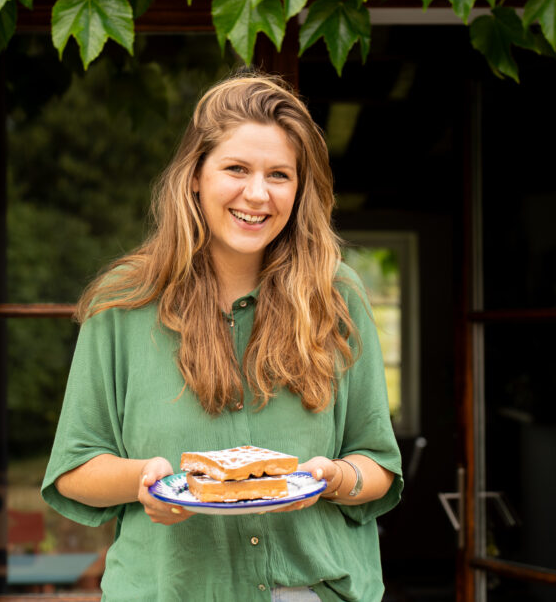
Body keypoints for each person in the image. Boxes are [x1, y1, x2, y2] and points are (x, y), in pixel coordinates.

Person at [41, 73, 403, 601]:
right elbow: (75, 468)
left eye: (279, 174)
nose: (256, 194)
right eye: (236, 168)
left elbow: (379, 465)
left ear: (299, 189)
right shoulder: (124, 302)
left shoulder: (336, 295)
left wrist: (333, 478)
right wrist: (146, 481)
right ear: (194, 176)